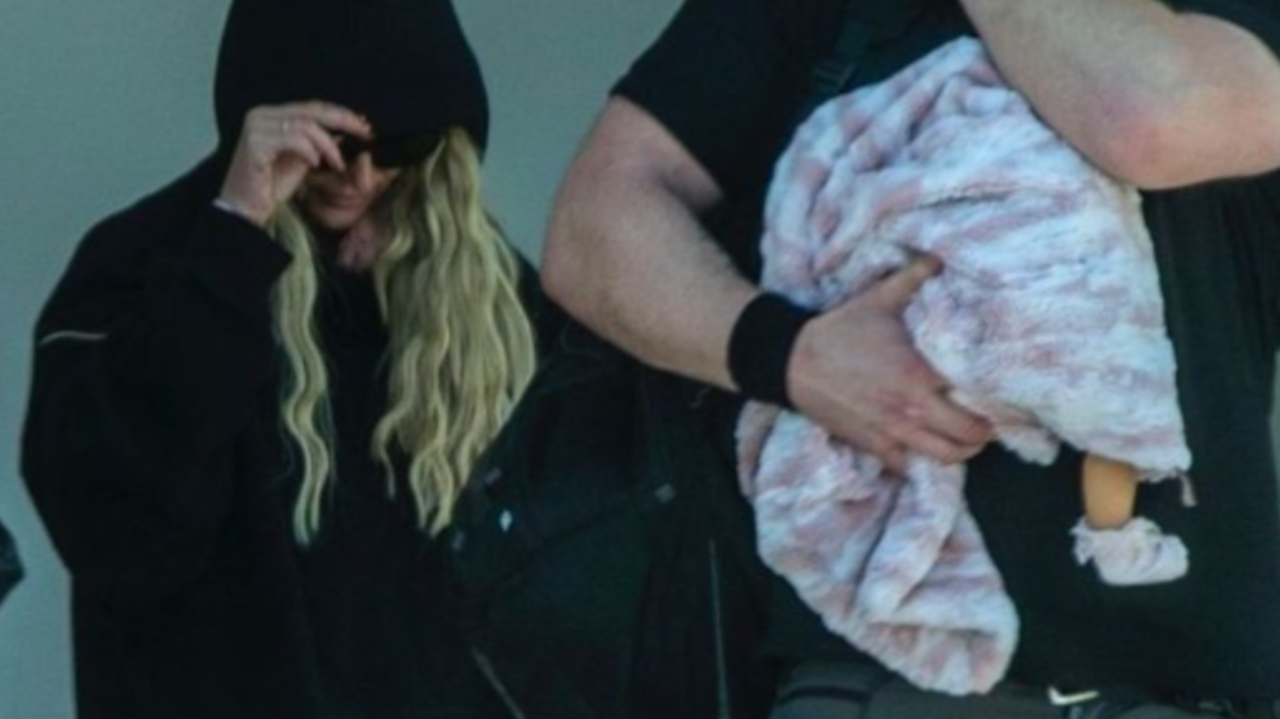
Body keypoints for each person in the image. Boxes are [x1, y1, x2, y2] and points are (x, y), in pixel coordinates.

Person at [543, 0, 1280, 716]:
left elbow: (1152, 119)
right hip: (879, 671)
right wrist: (789, 353)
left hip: (1187, 678)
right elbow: (593, 222)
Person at [21, 0, 549, 717]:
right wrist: (234, 237)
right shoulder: (142, 265)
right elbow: (109, 525)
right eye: (334, 144)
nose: (362, 176)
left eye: (401, 146)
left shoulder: (487, 292)